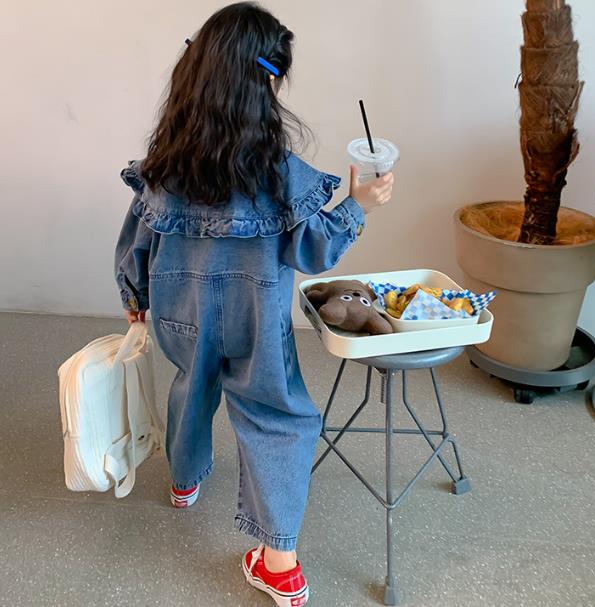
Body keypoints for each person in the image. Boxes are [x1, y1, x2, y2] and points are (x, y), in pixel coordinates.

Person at [113, 3, 394, 605]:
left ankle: (185, 481)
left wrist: (134, 295)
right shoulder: (279, 172)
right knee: (278, 414)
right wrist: (360, 204)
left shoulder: (166, 164)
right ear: (264, 83)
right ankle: (280, 565)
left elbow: (138, 236)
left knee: (192, 383)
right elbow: (313, 250)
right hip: (256, 319)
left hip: (180, 311)